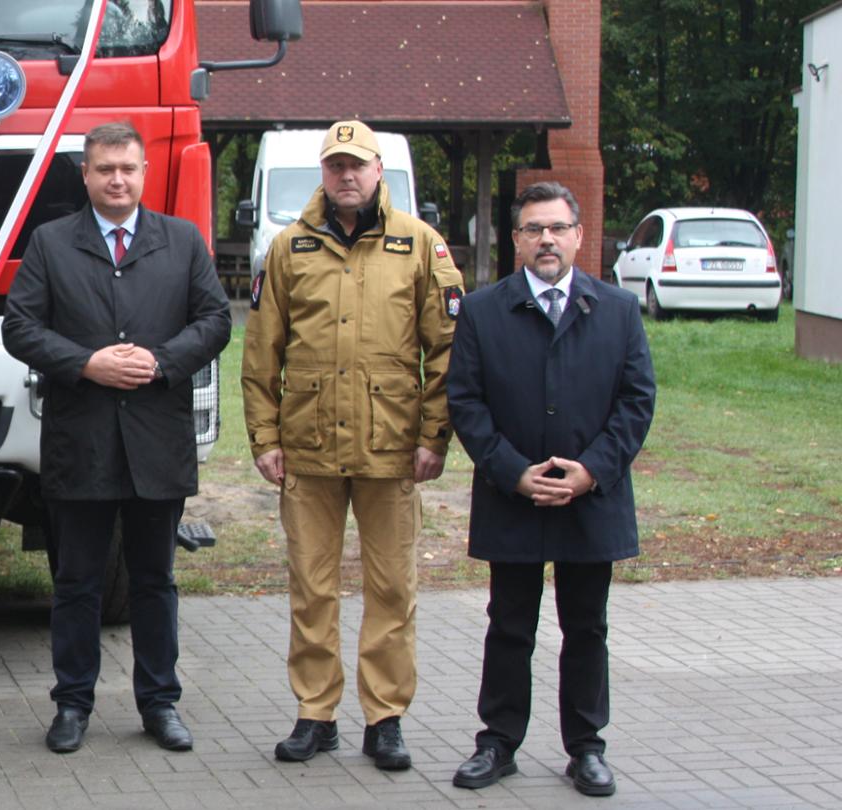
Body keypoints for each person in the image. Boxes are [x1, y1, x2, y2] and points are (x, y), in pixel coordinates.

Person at [2, 122, 232, 754]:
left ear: (144, 171)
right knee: (77, 582)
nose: (118, 179)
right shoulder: (51, 243)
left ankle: (160, 703)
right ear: (86, 173)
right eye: (105, 169)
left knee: (155, 581)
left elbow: (215, 319)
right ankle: (72, 705)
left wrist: (160, 361)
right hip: (83, 444)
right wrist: (85, 363)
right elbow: (20, 328)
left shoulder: (180, 241)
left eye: (128, 168)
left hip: (157, 441)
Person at [241, 119, 462, 770]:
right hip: (306, 448)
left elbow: (448, 352)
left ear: (378, 173)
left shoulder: (420, 245)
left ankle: (385, 717)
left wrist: (435, 437)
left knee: (392, 588)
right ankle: (315, 713)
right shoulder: (289, 249)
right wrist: (264, 437)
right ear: (323, 172)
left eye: (357, 165)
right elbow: (261, 354)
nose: (346, 176)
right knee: (311, 588)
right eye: (336, 165)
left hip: (391, 447)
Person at [446, 182, 655, 797]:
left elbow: (636, 401)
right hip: (515, 496)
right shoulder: (484, 311)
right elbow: (466, 402)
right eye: (534, 229)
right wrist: (513, 471)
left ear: (579, 236)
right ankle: (498, 742)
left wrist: (592, 470)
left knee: (586, 626)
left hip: (591, 499)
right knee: (509, 624)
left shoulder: (616, 310)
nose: (546, 240)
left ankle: (586, 747)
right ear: (516, 241)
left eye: (558, 228)